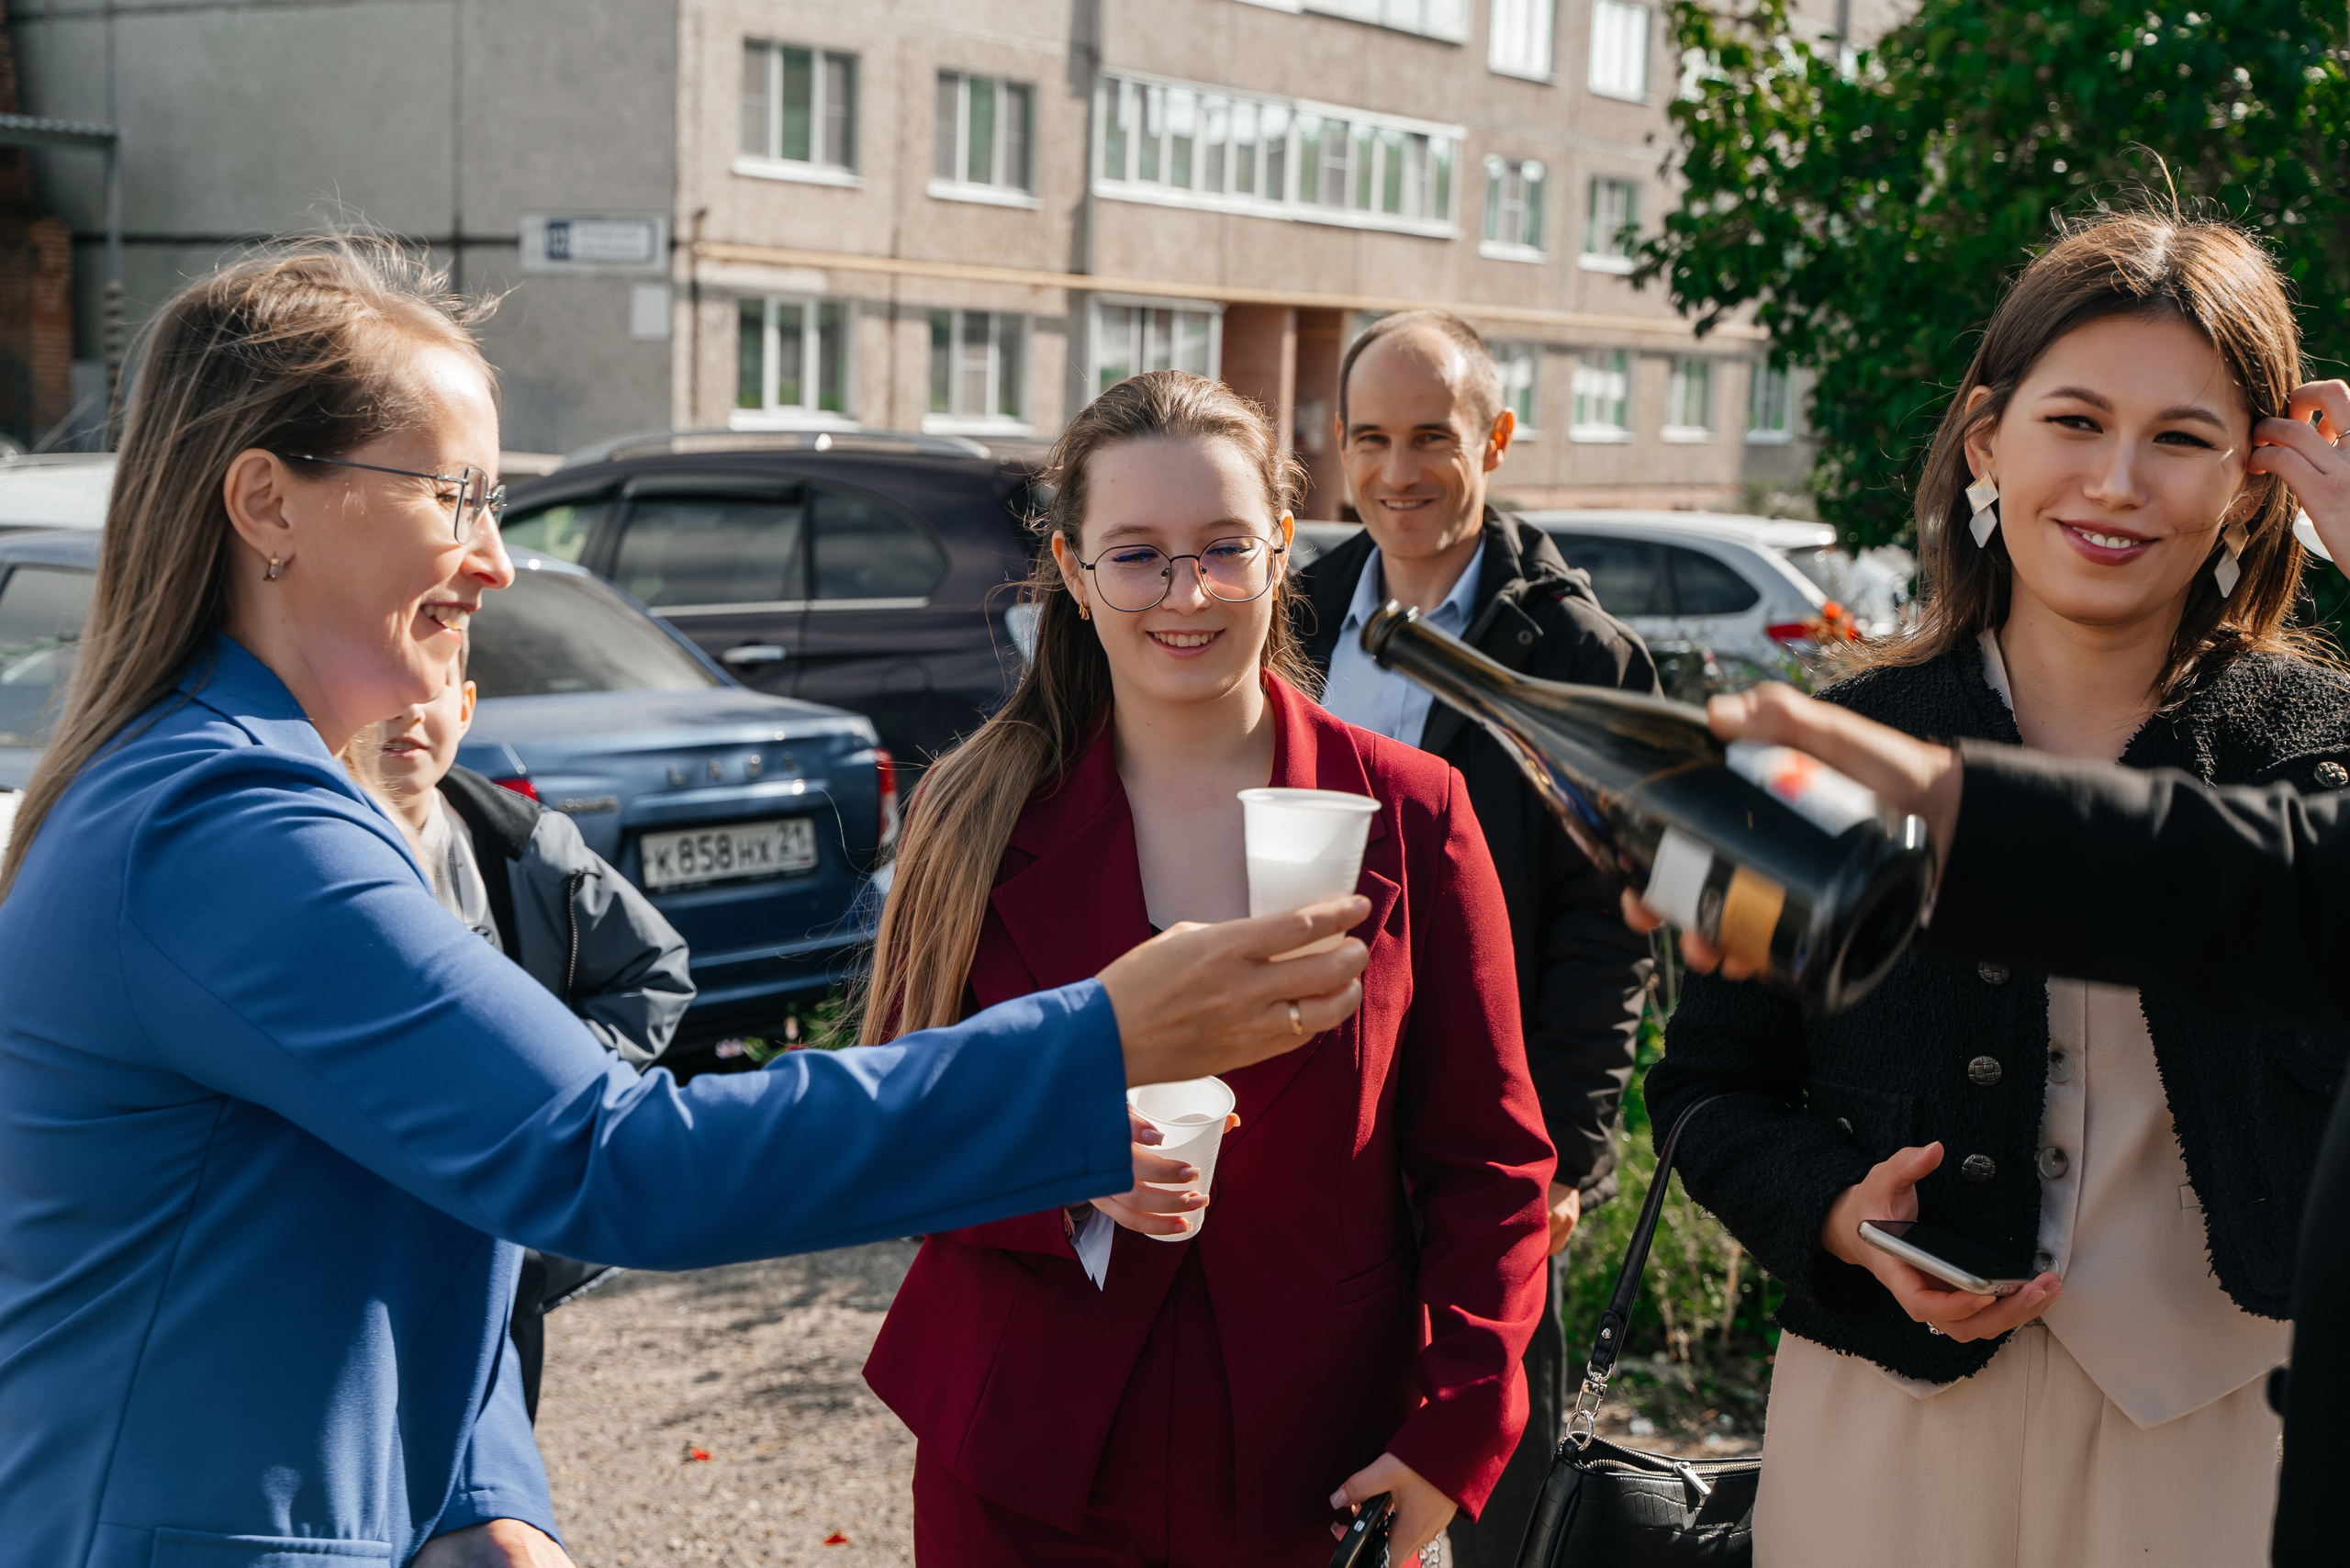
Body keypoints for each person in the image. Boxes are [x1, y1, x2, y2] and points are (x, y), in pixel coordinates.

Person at [0, 238, 1372, 1568]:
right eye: (456, 496)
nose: (497, 561)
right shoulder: (224, 828)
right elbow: (612, 1158)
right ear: (266, 503)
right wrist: (1092, 1042)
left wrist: (481, 1491)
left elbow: (441, 1190)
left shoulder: (254, 799)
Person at [1638, 211, 2350, 1568]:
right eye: (2074, 420)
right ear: (1986, 442)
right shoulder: (1844, 743)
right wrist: (1837, 1215)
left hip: (2220, 1445)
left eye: (2182, 438)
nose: (2117, 482)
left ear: (2256, 488)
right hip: (1884, 1438)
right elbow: (1708, 1087)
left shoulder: (2320, 755)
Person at [857, 371, 1555, 1566]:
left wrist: (1458, 1428)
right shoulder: (973, 811)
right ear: (1074, 572)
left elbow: (1489, 1164)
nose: (1188, 593)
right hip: (1025, 1465)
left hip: (1310, 1467)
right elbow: (893, 1123)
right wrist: (1065, 1167)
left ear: (1281, 549)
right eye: (1138, 556)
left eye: (1225, 547)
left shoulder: (1414, 812)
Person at [1292, 309, 1656, 1563]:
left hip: (1483, 1134)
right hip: (1314, 1117)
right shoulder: (1293, 619)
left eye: (1431, 438)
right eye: (1371, 438)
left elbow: (1609, 933)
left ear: (1495, 440)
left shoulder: (1577, 654)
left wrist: (1564, 1160)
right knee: (1302, 1467)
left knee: (1500, 1489)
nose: (1397, 472)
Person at [351, 648, 695, 1422]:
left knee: (492, 1426)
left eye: (433, 685)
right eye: (382, 681)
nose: (407, 709)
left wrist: (552, 1082)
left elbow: (652, 971)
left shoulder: (528, 845)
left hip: (502, 1225)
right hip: (367, 1224)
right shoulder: (306, 854)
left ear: (466, 706)